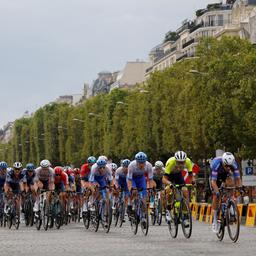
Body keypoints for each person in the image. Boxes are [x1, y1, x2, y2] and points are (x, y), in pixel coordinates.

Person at [210, 152, 242, 233]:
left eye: (230, 166)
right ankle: (214, 220)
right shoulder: (216, 164)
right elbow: (213, 182)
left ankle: (229, 202)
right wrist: (217, 192)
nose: (228, 167)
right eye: (226, 166)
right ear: (223, 162)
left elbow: (238, 179)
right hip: (216, 176)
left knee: (231, 183)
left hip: (225, 175)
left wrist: (240, 188)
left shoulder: (233, 164)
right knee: (216, 196)